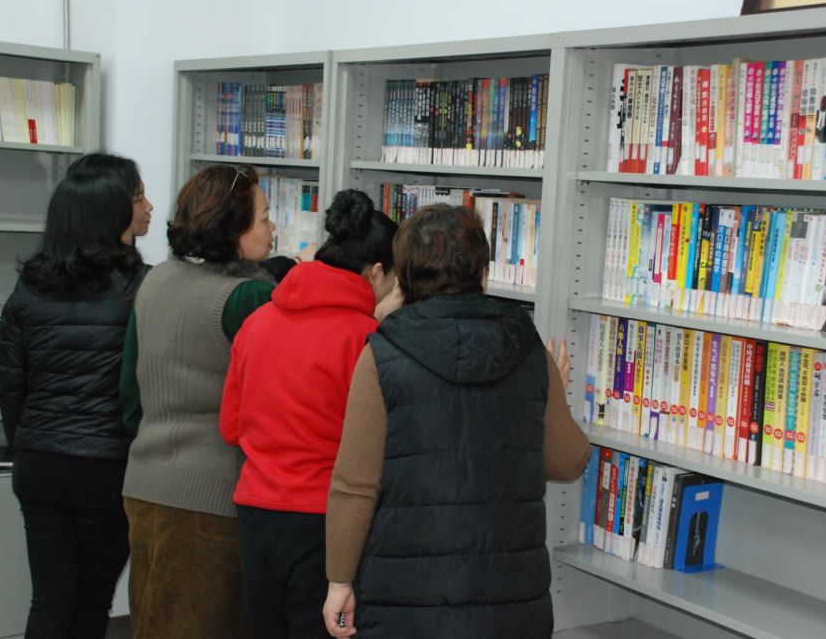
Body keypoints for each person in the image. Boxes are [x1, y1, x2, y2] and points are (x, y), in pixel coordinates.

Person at [322, 203, 592, 639]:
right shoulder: (530, 352)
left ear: (404, 278)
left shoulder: (383, 355)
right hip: (510, 602)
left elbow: (355, 485)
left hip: (406, 601)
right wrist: (551, 394)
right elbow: (568, 461)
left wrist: (339, 582)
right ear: (483, 273)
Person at [120, 164, 307, 638]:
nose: (272, 228)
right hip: (215, 498)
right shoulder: (250, 297)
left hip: (143, 485)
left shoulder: (155, 280)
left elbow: (130, 396)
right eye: (263, 218)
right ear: (233, 228)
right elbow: (280, 406)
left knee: (151, 623)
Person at [220, 189, 398, 638]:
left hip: (256, 513)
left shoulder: (257, 322)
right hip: (327, 523)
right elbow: (376, 448)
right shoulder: (368, 340)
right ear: (377, 272)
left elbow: (230, 428)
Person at [0, 152, 152, 639]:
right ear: (111, 211)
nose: (149, 207)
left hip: (39, 464)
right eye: (139, 197)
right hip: (106, 467)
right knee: (90, 604)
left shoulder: (29, 287)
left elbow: (11, 387)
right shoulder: (142, 289)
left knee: (49, 599)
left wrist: (28, 443)